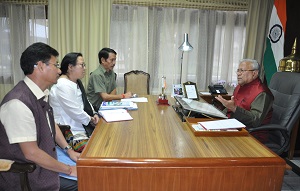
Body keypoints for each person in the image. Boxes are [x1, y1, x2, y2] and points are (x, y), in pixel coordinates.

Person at [0, 42, 80, 191]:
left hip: (45, 164)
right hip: (29, 176)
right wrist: (69, 169)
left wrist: (69, 150)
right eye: (55, 65)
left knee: (91, 170)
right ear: (41, 66)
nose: (59, 70)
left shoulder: (40, 94)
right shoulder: (17, 103)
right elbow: (31, 153)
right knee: (87, 182)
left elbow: (51, 125)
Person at [49, 52, 99, 152]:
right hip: (71, 132)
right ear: (70, 67)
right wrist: (90, 119)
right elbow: (74, 110)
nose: (84, 68)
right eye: (82, 65)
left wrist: (94, 113)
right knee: (97, 150)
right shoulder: (62, 85)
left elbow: (85, 101)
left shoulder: (74, 82)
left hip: (80, 126)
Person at [215, 59, 274, 129]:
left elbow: (255, 121)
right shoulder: (240, 86)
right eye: (238, 70)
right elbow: (230, 109)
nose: (238, 74)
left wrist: (234, 108)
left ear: (254, 73)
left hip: (250, 133)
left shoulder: (261, 93)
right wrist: (217, 114)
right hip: (233, 125)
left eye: (242, 71)